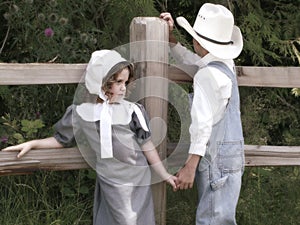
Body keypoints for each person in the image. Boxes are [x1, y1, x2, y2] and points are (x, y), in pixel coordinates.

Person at [2, 50, 177, 225]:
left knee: (138, 220)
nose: (124, 87)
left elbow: (146, 145)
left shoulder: (133, 110)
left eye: (126, 81)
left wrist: (164, 174)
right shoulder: (82, 113)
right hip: (111, 178)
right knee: (119, 219)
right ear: (101, 83)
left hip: (137, 177)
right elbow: (61, 140)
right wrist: (33, 143)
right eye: (118, 82)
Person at [160, 3, 245, 225]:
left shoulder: (207, 76)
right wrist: (172, 43)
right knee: (222, 218)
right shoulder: (225, 64)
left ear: (198, 41)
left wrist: (190, 166)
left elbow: (202, 125)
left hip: (214, 159)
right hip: (232, 156)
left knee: (211, 220)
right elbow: (197, 62)